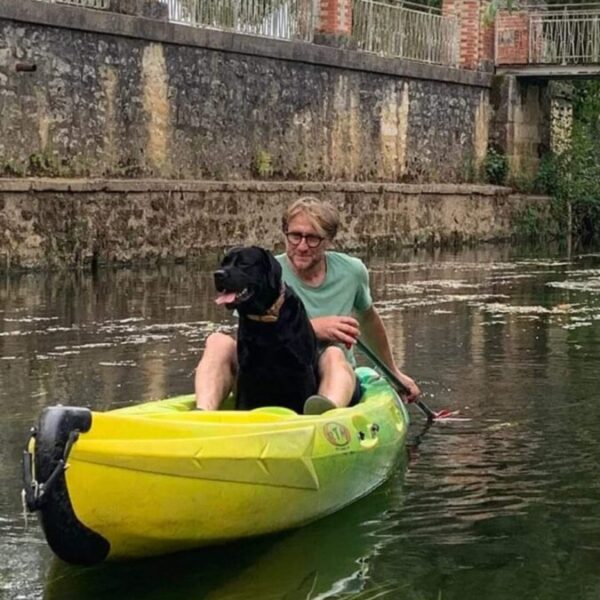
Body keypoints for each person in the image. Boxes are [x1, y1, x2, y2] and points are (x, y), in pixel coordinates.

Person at [195, 197, 421, 412]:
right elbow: (251, 336)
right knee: (218, 341)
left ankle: (323, 416)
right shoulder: (265, 274)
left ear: (329, 240)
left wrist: (392, 372)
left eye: (312, 238)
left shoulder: (352, 271)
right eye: (295, 236)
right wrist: (314, 328)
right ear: (285, 235)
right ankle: (203, 415)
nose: (302, 246)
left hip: (325, 374)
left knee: (333, 353)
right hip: (266, 371)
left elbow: (369, 320)